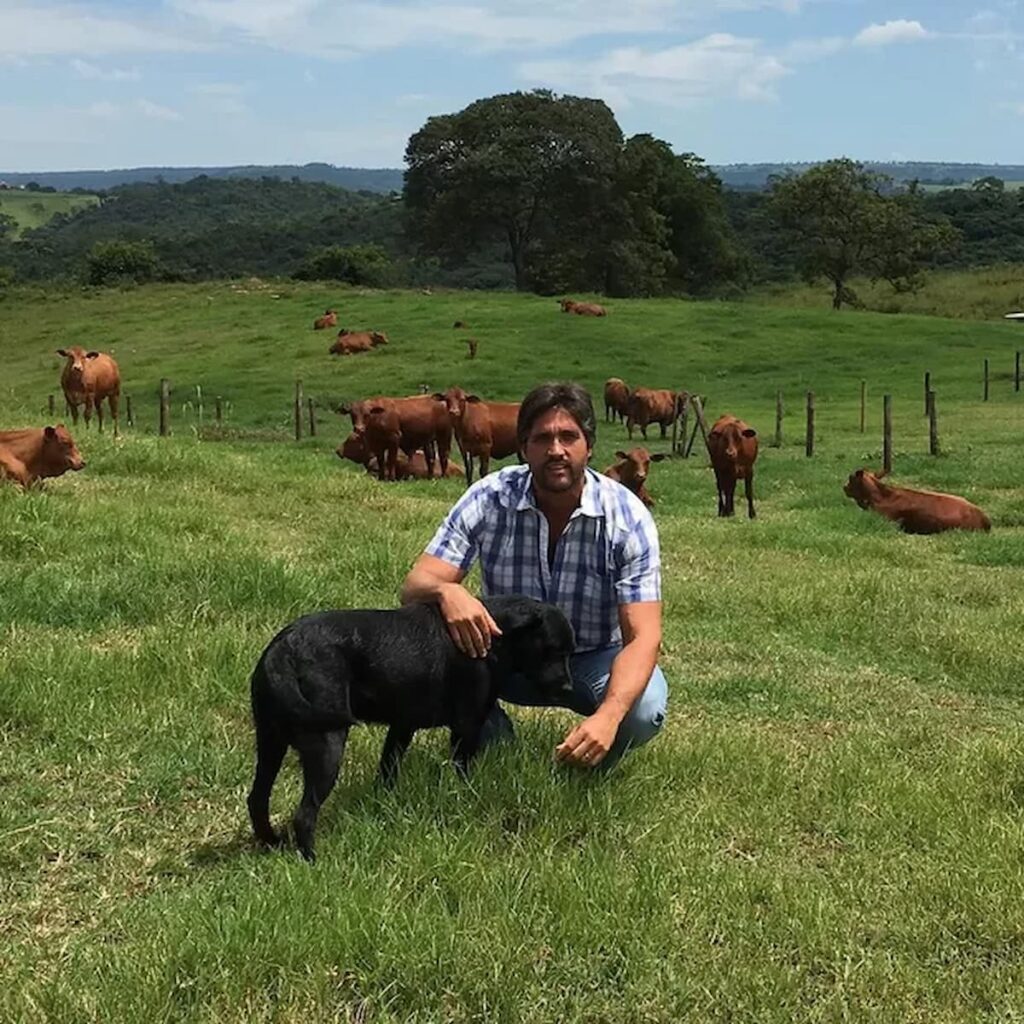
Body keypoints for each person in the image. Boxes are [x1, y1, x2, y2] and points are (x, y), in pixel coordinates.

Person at [400, 381, 667, 768]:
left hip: (590, 659)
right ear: (523, 447)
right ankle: (492, 746)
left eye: (568, 437)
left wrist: (609, 717)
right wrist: (446, 592)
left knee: (644, 711)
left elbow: (644, 636)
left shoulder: (627, 517)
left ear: (589, 445)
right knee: (434, 654)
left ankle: (589, 762)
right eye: (542, 438)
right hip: (503, 655)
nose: (555, 450)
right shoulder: (489, 496)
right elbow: (414, 587)